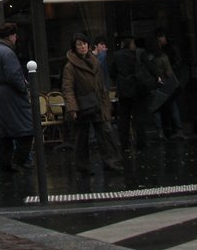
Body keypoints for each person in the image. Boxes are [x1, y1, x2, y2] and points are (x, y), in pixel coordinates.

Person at [62, 33, 123, 174]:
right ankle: (83, 167)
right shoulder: (70, 66)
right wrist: (72, 108)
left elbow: (101, 85)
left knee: (106, 132)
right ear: (74, 47)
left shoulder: (94, 61)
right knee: (82, 138)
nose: (83, 46)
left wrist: (105, 104)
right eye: (79, 44)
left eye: (85, 43)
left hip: (97, 103)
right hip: (82, 106)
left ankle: (111, 162)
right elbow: (68, 88)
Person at [0, 23, 34, 172]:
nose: (16, 38)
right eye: (15, 35)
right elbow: (14, 75)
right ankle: (18, 162)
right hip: (10, 96)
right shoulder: (7, 52)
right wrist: (24, 88)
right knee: (26, 131)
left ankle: (5, 165)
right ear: (10, 36)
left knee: (4, 135)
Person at [110, 37, 156, 152]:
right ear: (131, 44)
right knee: (139, 117)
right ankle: (141, 142)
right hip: (137, 89)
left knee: (124, 118)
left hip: (124, 91)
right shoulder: (138, 54)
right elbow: (149, 68)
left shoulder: (116, 55)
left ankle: (124, 143)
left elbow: (112, 73)